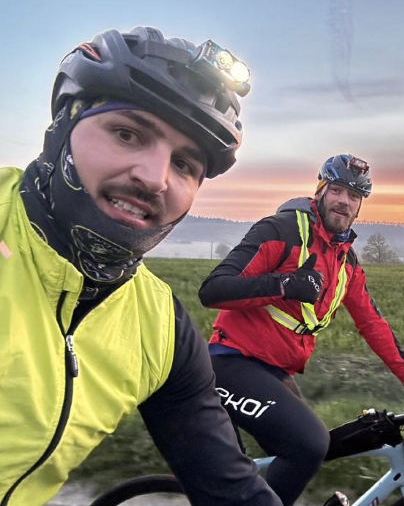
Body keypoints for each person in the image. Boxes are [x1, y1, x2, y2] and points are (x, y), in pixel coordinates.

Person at [0, 27, 281, 506]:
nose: (154, 179)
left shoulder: (159, 327)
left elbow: (232, 489)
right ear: (64, 123)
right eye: (127, 134)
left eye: (184, 165)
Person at [199, 153, 404, 506]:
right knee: (307, 444)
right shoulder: (281, 231)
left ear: (360, 206)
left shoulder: (345, 262)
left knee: (309, 452)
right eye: (336, 190)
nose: (344, 201)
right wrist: (284, 285)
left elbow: (372, 324)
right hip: (231, 362)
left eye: (354, 195)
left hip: (275, 371)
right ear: (320, 191)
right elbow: (213, 291)